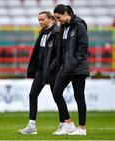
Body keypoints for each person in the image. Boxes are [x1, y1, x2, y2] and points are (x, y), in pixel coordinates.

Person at [17, 11, 61, 135]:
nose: (40, 22)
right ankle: (31, 126)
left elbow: (58, 54)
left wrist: (52, 68)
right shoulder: (42, 33)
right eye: (39, 20)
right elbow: (38, 53)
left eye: (42, 19)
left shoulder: (56, 32)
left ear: (49, 19)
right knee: (32, 94)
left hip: (52, 71)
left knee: (57, 97)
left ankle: (64, 123)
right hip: (42, 70)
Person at [52, 4, 89, 136]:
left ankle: (82, 128)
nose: (57, 20)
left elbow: (83, 47)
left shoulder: (79, 25)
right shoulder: (63, 27)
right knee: (56, 92)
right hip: (65, 67)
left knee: (79, 96)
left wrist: (74, 62)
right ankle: (68, 123)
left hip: (78, 67)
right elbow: (62, 49)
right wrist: (60, 64)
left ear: (66, 13)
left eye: (58, 17)